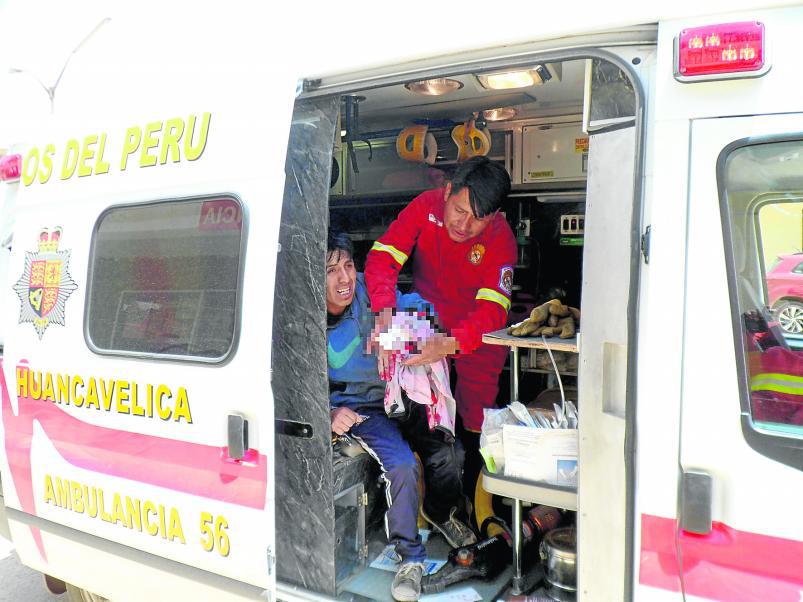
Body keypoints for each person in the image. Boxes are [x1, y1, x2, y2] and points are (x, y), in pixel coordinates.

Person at [325, 230, 476, 602]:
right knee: (402, 465)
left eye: (349, 266)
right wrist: (330, 411)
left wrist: (405, 324)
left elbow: (418, 305)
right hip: (362, 409)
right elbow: (295, 381)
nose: (345, 278)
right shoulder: (307, 322)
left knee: (450, 450)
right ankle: (411, 558)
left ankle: (442, 512)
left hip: (401, 393)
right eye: (331, 271)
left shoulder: (367, 291)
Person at [364, 156, 516, 511]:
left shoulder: (501, 238)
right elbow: (383, 257)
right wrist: (384, 311)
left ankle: (476, 508)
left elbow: (493, 310)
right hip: (424, 326)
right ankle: (426, 506)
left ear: (494, 216)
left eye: (478, 218)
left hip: (477, 339)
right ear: (447, 192)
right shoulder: (425, 206)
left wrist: (450, 343)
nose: (464, 225)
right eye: (459, 210)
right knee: (422, 412)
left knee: (476, 419)